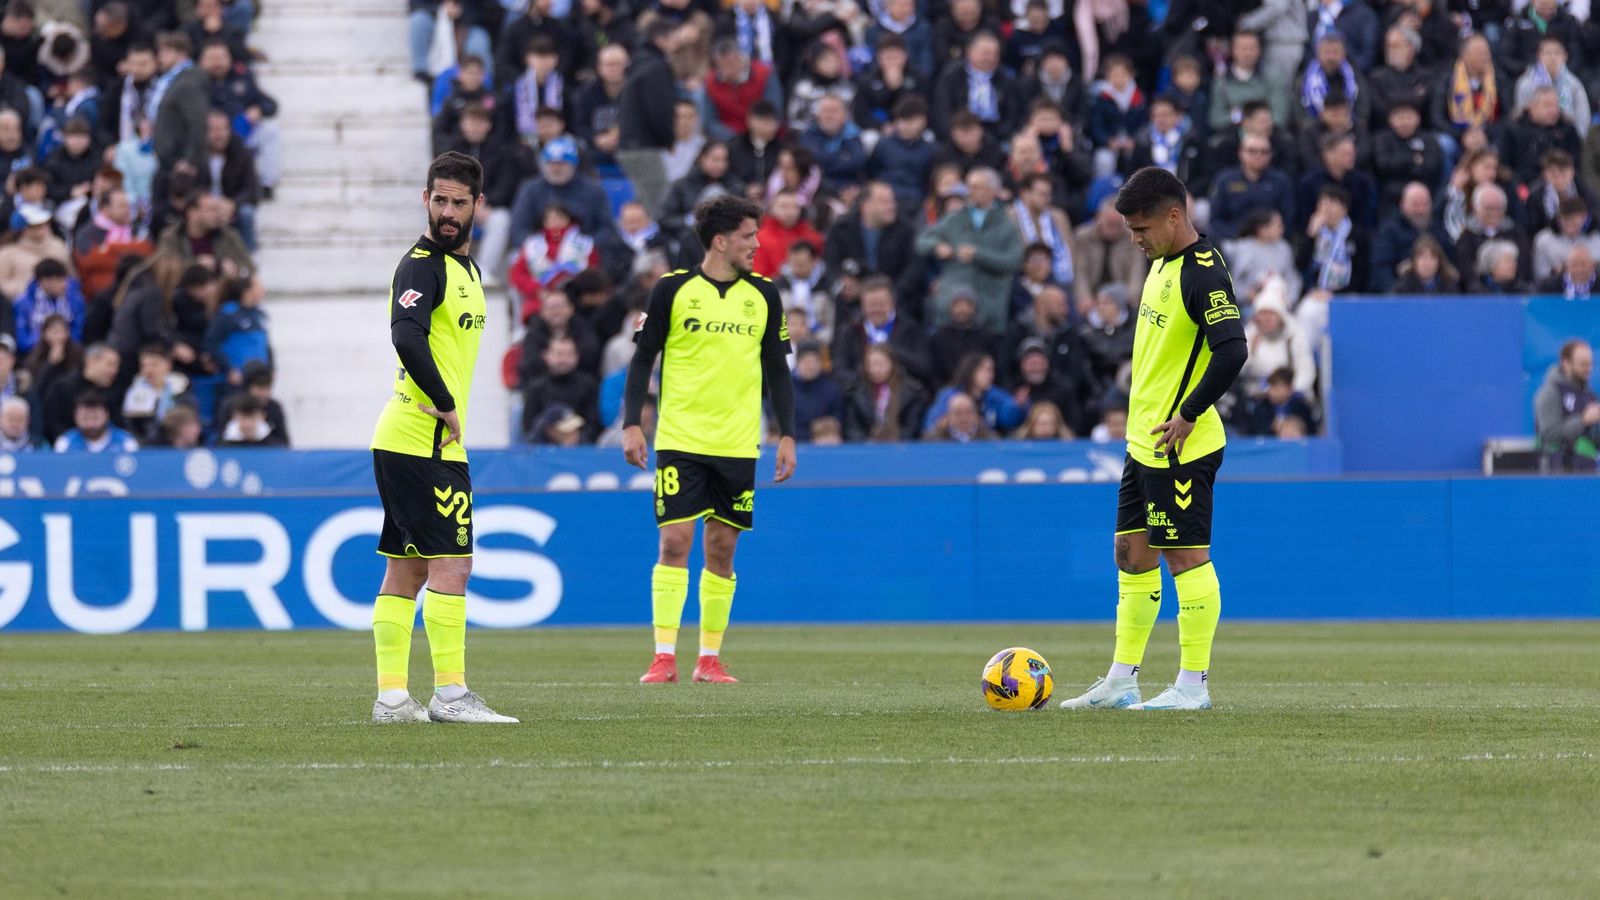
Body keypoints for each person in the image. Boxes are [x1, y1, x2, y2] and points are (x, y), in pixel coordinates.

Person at [1060, 167, 1247, 713]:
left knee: (1186, 558)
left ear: (1175, 215)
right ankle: (1123, 680)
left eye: (1141, 229)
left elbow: (1233, 350)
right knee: (1130, 555)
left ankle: (1193, 686)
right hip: (1144, 442)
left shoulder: (1204, 272)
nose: (1135, 240)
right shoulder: (1162, 262)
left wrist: (1189, 413)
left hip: (1180, 444)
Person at [621, 194, 796, 685]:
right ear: (720, 241)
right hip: (680, 438)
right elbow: (642, 359)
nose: (756, 245)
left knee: (722, 549)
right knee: (675, 542)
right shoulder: (672, 289)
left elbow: (777, 371)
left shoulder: (764, 294)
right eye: (747, 236)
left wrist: (787, 434)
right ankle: (662, 657)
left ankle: (709, 660)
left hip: (740, 443)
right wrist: (632, 422)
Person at [367, 151, 516, 726]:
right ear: (424, 199)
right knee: (453, 566)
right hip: (421, 435)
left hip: (419, 440)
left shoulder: (469, 271)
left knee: (406, 571)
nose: (447, 211)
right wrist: (447, 403)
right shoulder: (421, 265)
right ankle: (450, 696)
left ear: (479, 205)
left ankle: (392, 699)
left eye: (459, 201)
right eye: (439, 199)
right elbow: (405, 333)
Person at [1534, 338, 1599, 472]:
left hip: (1587, 475)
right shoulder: (1550, 393)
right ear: (1566, 363)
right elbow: (1550, 434)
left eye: (1590, 364)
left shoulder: (1589, 396)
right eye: (1583, 364)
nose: (1589, 369)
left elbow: (1594, 439)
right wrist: (1583, 420)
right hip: (1557, 476)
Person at [54, 388, 139, 452]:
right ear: (75, 417)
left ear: (106, 415)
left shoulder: (126, 442)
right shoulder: (66, 443)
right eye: (85, 418)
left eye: (95, 418)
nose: (91, 424)